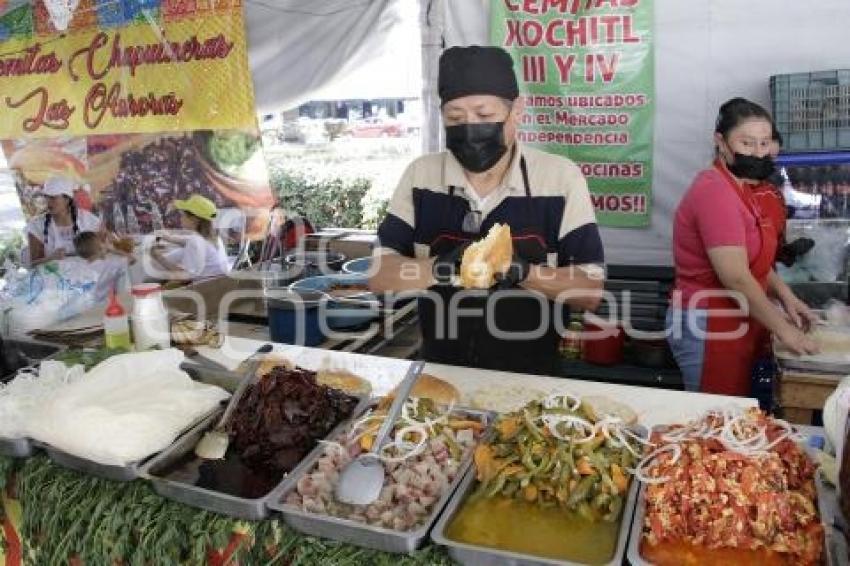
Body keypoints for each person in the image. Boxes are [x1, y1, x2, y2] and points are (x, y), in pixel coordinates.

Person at [370, 45, 604, 375]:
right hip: (441, 371)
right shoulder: (421, 176)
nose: (469, 128)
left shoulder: (559, 178)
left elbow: (589, 291)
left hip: (533, 376)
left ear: (517, 111)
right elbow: (380, 275)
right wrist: (441, 268)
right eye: (455, 118)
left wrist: (521, 271)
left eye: (484, 115)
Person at [667, 97, 819, 396]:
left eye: (764, 144)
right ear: (721, 142)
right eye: (747, 143)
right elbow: (735, 276)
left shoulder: (742, 188)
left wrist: (786, 296)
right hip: (709, 322)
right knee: (711, 420)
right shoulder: (715, 192)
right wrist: (785, 330)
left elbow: (754, 261)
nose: (758, 153)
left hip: (736, 317)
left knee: (736, 421)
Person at [148, 194, 229, 281]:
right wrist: (169, 237)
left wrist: (158, 257)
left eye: (183, 215)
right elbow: (189, 240)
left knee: (150, 281)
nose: (180, 218)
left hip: (202, 289)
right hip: (216, 284)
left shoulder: (195, 242)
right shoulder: (214, 237)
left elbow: (185, 278)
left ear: (194, 220)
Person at [26, 176, 102, 266]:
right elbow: (32, 265)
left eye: (53, 198)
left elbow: (102, 251)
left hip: (89, 274)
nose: (48, 202)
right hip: (54, 278)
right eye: (46, 197)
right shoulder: (36, 226)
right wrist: (51, 258)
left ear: (67, 199)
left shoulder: (88, 220)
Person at [72, 231, 134, 303]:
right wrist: (113, 250)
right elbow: (132, 259)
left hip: (86, 307)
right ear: (100, 246)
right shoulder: (110, 265)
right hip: (107, 306)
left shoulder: (81, 268)